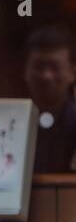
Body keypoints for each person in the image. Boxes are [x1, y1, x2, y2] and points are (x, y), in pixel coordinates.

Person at [23, 24, 76, 173]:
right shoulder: (12, 123)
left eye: (55, 67)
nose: (46, 76)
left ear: (73, 72)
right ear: (25, 71)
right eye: (39, 67)